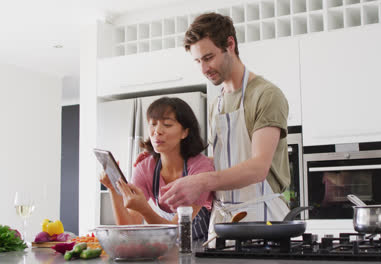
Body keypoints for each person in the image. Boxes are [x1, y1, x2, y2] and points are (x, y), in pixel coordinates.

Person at [158, 12, 291, 243]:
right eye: (198, 61)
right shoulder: (217, 104)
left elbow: (258, 168)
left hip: (264, 221)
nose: (203, 69)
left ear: (230, 44)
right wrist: (158, 161)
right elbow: (221, 165)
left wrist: (202, 181)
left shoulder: (266, 95)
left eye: (208, 57)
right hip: (222, 225)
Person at [100, 97, 214, 241]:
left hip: (205, 248)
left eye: (167, 124)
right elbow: (128, 228)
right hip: (169, 249)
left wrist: (145, 209)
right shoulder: (145, 168)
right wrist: (113, 189)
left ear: (184, 132)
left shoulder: (200, 168)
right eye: (152, 124)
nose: (157, 131)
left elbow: (178, 232)